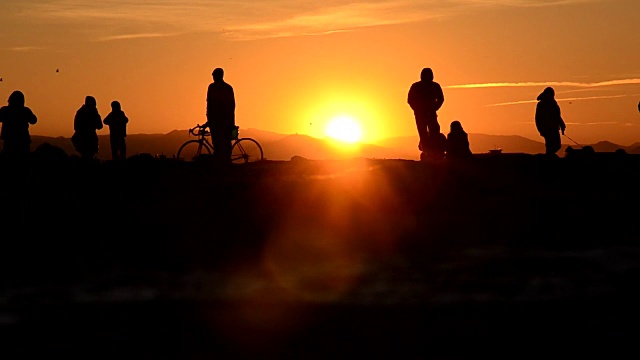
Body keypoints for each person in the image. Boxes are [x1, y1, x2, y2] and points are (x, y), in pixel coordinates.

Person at [408, 67, 444, 159]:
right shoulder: (416, 86)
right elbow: (410, 100)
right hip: (421, 114)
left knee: (433, 131)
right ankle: (427, 152)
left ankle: (432, 152)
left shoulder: (434, 86)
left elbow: (441, 99)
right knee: (423, 133)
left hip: (429, 113)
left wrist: (434, 108)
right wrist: (417, 109)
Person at [205, 67, 235, 167]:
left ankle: (223, 163)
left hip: (219, 120)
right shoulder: (227, 88)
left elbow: (209, 104)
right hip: (222, 119)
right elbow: (232, 106)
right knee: (221, 141)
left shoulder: (213, 88)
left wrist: (209, 118)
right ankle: (224, 162)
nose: (213, 77)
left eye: (213, 75)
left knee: (220, 141)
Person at [0, 90, 37, 160]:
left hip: (10, 142)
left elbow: (34, 120)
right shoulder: (25, 111)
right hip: (22, 142)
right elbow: (34, 120)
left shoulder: (6, 110)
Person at [535, 87, 566, 156]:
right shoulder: (541, 104)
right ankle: (548, 158)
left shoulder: (553, 103)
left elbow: (557, 116)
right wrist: (541, 129)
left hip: (554, 128)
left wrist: (562, 125)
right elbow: (538, 118)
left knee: (557, 145)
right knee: (550, 145)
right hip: (547, 129)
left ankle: (549, 156)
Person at [72, 95, 103, 160]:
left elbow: (76, 126)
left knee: (86, 157)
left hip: (82, 138)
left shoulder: (80, 112)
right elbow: (100, 125)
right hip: (87, 139)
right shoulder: (91, 113)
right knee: (88, 157)